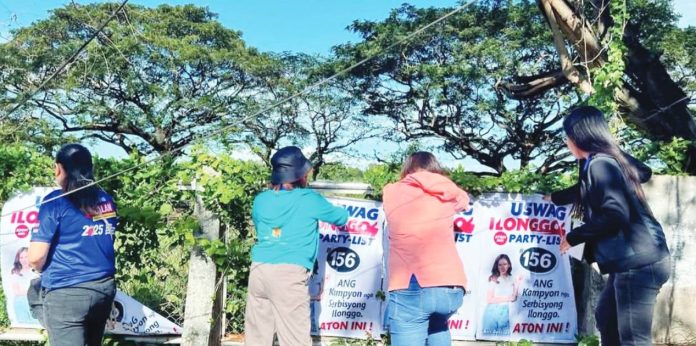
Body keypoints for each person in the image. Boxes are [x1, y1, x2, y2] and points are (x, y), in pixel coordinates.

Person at [548, 106, 670, 346]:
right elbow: (588, 190)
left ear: (579, 135)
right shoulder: (601, 162)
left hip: (639, 263)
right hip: (632, 261)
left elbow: (615, 214)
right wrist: (555, 198)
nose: (566, 142)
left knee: (634, 339)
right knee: (606, 318)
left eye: (567, 135)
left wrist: (574, 236)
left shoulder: (600, 164)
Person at [244, 146, 349, 346]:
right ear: (300, 174)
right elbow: (341, 218)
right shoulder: (309, 199)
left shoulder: (260, 200)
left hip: (259, 270)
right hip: (289, 274)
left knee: (257, 337)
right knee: (294, 339)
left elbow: (261, 226)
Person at [28, 143, 118, 346]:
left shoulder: (55, 202)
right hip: (103, 289)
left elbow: (35, 257)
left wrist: (36, 267)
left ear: (59, 169)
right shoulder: (107, 200)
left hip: (67, 293)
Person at [382, 151, 469, 346]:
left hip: (412, 286)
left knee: (414, 321)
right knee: (437, 326)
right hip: (451, 287)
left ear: (407, 169)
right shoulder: (448, 192)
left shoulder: (392, 191)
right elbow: (463, 201)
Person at [481, 254, 523, 336]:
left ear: (509, 265)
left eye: (505, 264)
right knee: (488, 339)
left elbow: (514, 298)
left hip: (505, 311)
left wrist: (517, 284)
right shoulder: (493, 278)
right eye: (500, 265)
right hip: (492, 312)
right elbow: (489, 299)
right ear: (497, 266)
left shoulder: (512, 278)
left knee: (504, 339)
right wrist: (509, 298)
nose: (502, 267)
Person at [10, 247, 38, 324]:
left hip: (35, 302)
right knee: (24, 326)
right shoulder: (15, 273)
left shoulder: (36, 271)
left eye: (26, 257)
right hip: (21, 303)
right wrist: (31, 291)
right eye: (21, 257)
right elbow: (16, 291)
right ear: (18, 259)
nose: (24, 260)